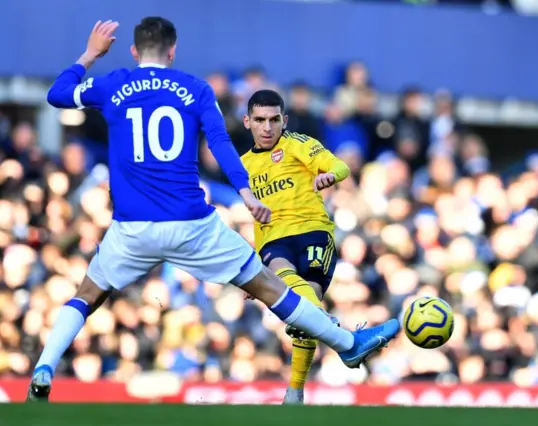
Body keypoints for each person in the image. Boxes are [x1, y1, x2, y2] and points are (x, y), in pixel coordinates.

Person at [27, 17, 400, 402]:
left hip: (133, 226)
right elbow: (221, 143)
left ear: (135, 51)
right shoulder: (195, 89)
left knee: (87, 294)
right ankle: (346, 343)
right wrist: (247, 193)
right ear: (173, 51)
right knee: (269, 288)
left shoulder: (114, 84)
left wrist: (91, 54)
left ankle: (45, 366)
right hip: (191, 223)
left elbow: (58, 94)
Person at [241, 89, 357, 404]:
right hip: (273, 240)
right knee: (296, 296)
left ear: (285, 120)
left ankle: (295, 389)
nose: (267, 128)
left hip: (313, 233)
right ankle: (331, 329)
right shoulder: (243, 165)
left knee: (305, 315)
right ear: (247, 122)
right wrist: (254, 269)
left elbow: (341, 166)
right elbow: (254, 217)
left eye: (274, 120)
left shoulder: (298, 144)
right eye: (260, 120)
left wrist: (330, 176)